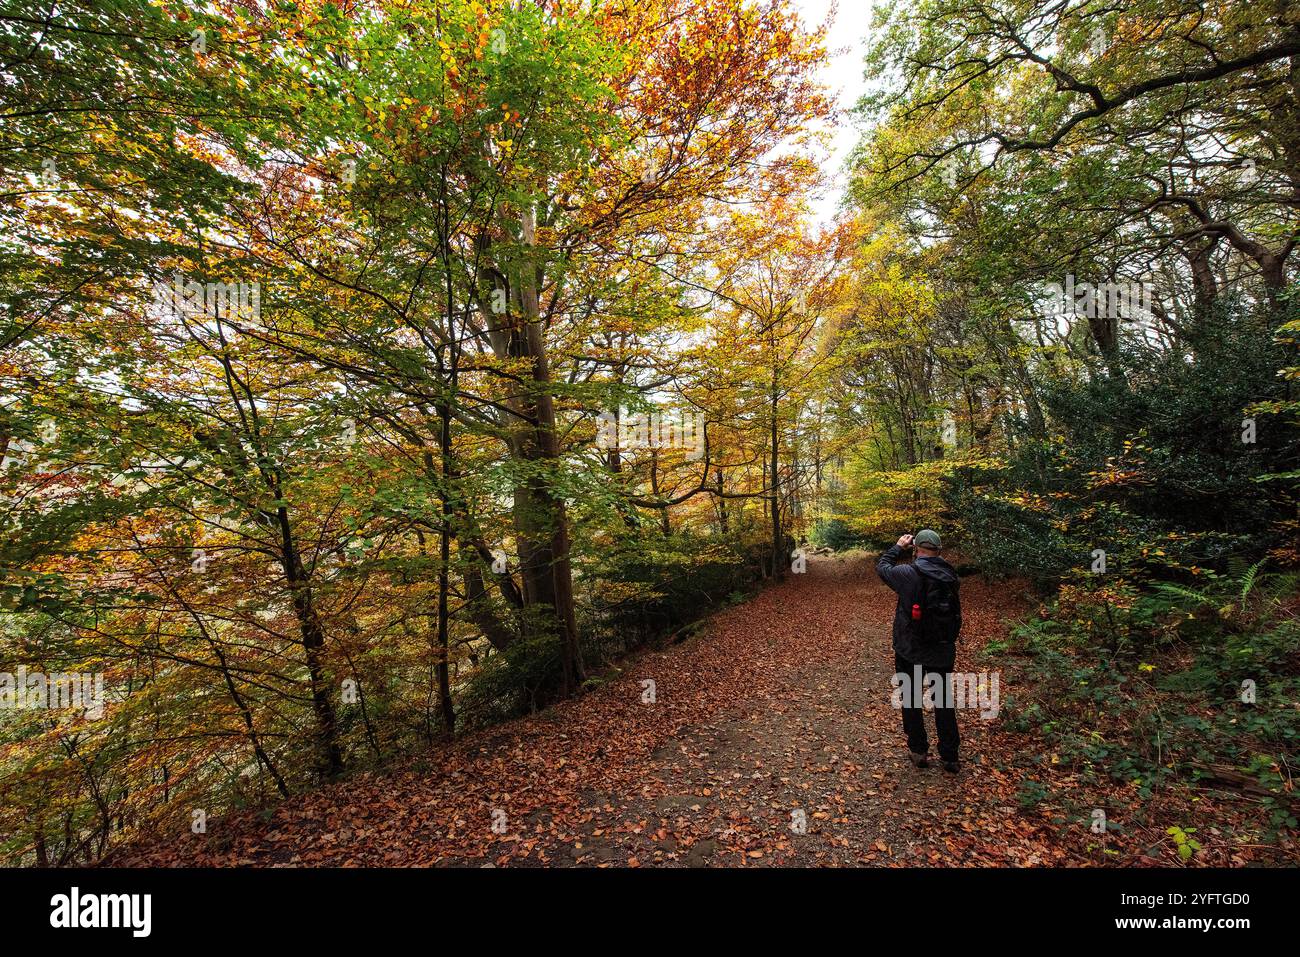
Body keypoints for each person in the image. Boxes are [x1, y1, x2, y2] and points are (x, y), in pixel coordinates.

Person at [876, 529, 963, 773]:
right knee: (943, 700)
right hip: (942, 649)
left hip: (910, 650)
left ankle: (918, 750)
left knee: (912, 698)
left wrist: (897, 547)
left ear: (916, 549)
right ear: (939, 551)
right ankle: (950, 756)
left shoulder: (908, 573)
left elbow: (883, 567)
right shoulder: (950, 574)